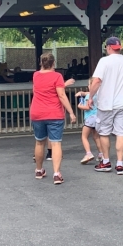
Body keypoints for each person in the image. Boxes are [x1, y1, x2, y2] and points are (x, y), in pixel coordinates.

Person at [89, 36, 123, 175]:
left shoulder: (104, 61)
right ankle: (120, 164)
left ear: (108, 47)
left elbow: (97, 81)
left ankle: (106, 162)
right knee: (121, 133)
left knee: (104, 133)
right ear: (119, 48)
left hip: (106, 104)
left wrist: (91, 97)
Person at [30, 52, 76, 184]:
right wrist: (71, 112)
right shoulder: (57, 76)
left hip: (37, 112)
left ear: (41, 63)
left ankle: (39, 170)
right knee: (55, 143)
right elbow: (61, 95)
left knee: (39, 142)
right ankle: (56, 173)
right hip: (54, 113)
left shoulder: (36, 76)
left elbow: (36, 91)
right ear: (53, 63)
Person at [76, 87, 103, 165]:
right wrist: (81, 93)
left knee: (84, 136)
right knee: (96, 137)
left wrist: (79, 106)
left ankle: (88, 153)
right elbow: (87, 93)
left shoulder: (89, 96)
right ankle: (101, 154)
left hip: (90, 118)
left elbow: (88, 107)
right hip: (97, 117)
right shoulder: (99, 95)